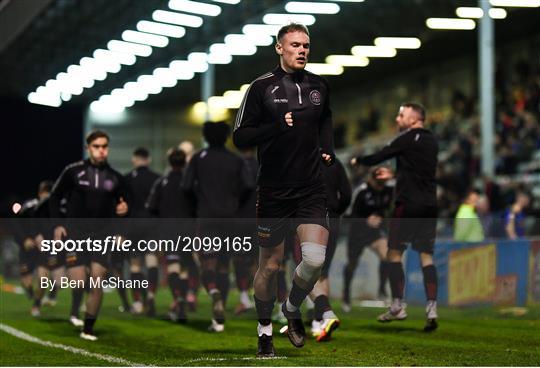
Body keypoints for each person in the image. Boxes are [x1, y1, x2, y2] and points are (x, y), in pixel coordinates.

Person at [233, 23, 334, 356]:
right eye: (295, 45)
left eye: (306, 45)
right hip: (274, 191)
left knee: (315, 259)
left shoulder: (319, 85)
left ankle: (290, 307)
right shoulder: (261, 88)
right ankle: (264, 331)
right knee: (271, 267)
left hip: (310, 188)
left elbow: (325, 122)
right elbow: (241, 137)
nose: (302, 50)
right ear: (279, 48)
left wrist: (327, 148)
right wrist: (276, 126)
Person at [351, 102, 439, 332]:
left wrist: (358, 160)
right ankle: (432, 307)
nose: (398, 119)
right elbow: (417, 168)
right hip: (430, 205)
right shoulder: (431, 140)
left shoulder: (407, 138)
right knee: (426, 257)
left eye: (401, 115)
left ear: (414, 118)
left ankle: (398, 305)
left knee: (393, 253)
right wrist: (398, 173)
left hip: (408, 205)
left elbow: (379, 156)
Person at [49, 130, 129, 341]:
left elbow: (125, 207)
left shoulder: (116, 177)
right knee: (78, 282)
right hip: (75, 234)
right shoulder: (73, 172)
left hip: (102, 236)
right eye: (96, 146)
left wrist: (122, 220)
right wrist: (58, 225)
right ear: (88, 148)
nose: (101, 150)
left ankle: (88, 329)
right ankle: (77, 308)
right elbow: (54, 197)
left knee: (97, 281)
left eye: (104, 146)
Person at [183, 121, 253, 332]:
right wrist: (236, 201)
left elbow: (186, 186)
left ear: (205, 136)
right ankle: (219, 319)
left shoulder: (198, 159)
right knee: (224, 263)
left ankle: (214, 295)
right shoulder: (236, 159)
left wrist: (198, 202)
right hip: (231, 219)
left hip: (207, 218)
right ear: (226, 137)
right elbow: (249, 185)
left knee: (207, 262)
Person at [146, 148, 195, 322]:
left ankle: (178, 302)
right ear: (184, 162)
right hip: (188, 231)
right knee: (183, 270)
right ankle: (182, 301)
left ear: (169, 162)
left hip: (168, 230)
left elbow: (151, 207)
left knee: (173, 267)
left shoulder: (162, 182)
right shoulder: (190, 182)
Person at [310, 157, 351, 341]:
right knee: (323, 273)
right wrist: (335, 211)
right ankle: (320, 323)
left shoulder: (301, 156)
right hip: (332, 220)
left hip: (308, 218)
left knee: (305, 272)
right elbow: (347, 194)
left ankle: (324, 315)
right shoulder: (335, 162)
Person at [343, 167, 393, 312]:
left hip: (374, 233)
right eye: (379, 182)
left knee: (386, 255)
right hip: (357, 233)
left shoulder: (387, 191)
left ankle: (382, 290)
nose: (381, 185)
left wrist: (381, 219)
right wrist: (366, 220)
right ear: (372, 179)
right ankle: (346, 294)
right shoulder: (361, 191)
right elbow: (349, 216)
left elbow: (385, 211)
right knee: (352, 264)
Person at [124, 147, 160, 316]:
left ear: (134, 159)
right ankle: (151, 294)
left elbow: (122, 207)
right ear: (149, 159)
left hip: (133, 226)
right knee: (152, 260)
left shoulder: (127, 179)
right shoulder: (157, 179)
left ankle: (138, 302)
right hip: (152, 225)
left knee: (135, 265)